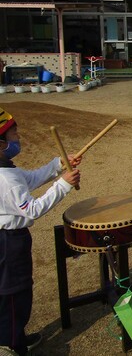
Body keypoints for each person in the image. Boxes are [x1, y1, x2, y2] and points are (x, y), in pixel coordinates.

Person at [0, 108, 82, 356]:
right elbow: (32, 209)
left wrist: (58, 165)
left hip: (10, 241)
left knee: (14, 291)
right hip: (7, 243)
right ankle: (10, 345)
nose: (18, 137)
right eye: (14, 134)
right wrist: (64, 185)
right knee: (14, 293)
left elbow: (32, 178)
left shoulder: (7, 169)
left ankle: (14, 336)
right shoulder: (5, 180)